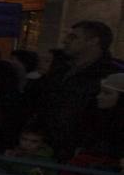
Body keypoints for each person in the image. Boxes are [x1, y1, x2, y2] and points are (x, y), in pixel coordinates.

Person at [36, 21, 120, 161]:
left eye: (73, 37)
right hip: (45, 149)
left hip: (80, 155)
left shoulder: (110, 76)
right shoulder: (60, 71)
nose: (65, 41)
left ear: (93, 41)